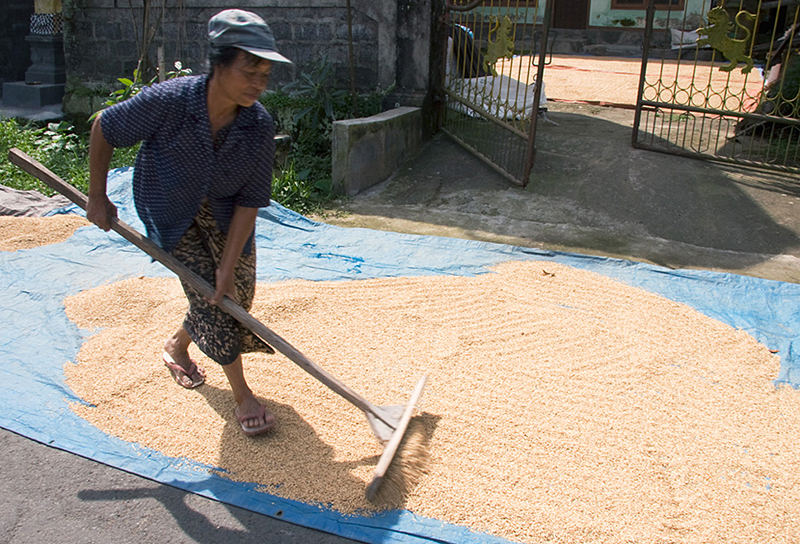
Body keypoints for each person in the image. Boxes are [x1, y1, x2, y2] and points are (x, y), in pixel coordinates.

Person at [86, 9, 292, 437]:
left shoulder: (257, 125)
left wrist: (227, 267)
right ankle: (242, 396)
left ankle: (177, 345)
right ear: (218, 65)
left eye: (265, 74)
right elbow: (106, 126)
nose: (258, 83)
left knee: (238, 292)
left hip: (224, 208)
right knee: (213, 300)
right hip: (168, 204)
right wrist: (98, 196)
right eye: (249, 70)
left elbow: (251, 200)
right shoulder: (172, 101)